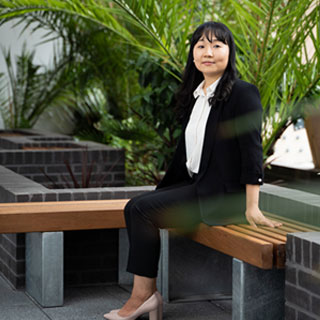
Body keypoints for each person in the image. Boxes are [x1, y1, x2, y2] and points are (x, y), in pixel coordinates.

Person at [103, 21, 282, 320]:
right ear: (193, 55)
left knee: (140, 211)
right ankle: (146, 296)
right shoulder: (196, 95)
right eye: (201, 46)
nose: (208, 52)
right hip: (199, 185)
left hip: (221, 196)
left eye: (217, 45)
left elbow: (252, 151)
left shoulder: (242, 93)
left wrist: (253, 207)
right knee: (136, 206)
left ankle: (143, 297)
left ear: (230, 51)